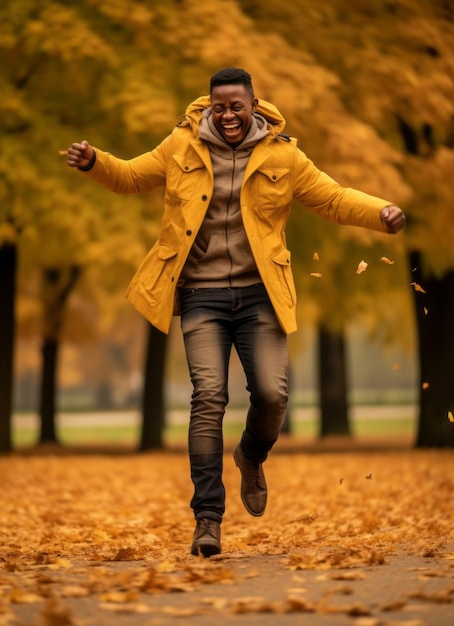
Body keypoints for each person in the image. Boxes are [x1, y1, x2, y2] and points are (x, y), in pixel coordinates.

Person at [66, 67, 406, 558]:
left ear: (253, 105)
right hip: (201, 295)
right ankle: (207, 518)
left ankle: (250, 454)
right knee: (208, 397)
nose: (227, 115)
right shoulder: (181, 146)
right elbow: (131, 177)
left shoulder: (283, 154)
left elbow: (332, 198)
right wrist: (94, 161)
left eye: (236, 106)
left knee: (272, 394)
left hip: (260, 296)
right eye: (218, 106)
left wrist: (380, 212)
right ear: (208, 105)